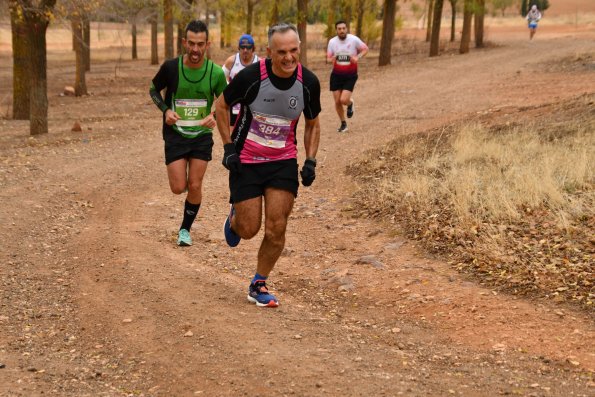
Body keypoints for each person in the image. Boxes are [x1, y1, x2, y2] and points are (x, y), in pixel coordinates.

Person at [215, 23, 321, 308]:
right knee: (249, 229)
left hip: (282, 161)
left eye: (294, 50)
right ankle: (236, 217)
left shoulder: (308, 83)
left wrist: (310, 160)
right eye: (282, 52)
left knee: (277, 227)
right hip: (246, 160)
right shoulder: (251, 78)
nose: (289, 58)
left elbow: (312, 124)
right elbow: (221, 107)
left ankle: (259, 283)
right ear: (269, 52)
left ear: (300, 48)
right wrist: (227, 147)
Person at [150, 20, 227, 246]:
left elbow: (227, 101)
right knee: (178, 188)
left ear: (207, 44)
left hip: (201, 136)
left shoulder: (215, 73)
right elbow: (154, 89)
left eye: (200, 44)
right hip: (175, 133)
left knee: (194, 185)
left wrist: (213, 114)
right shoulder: (171, 67)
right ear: (184, 42)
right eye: (191, 43)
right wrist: (165, 110)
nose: (195, 49)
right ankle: (187, 203)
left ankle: (185, 229)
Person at [326, 20, 368, 133]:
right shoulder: (332, 42)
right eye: (339, 29)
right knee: (337, 102)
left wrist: (357, 57)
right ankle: (343, 123)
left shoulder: (354, 39)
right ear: (336, 30)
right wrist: (332, 58)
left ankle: (350, 103)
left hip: (350, 75)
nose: (342, 31)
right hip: (336, 75)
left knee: (343, 100)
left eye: (344, 28)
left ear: (347, 29)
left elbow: (365, 49)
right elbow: (328, 58)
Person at [221, 34, 260, 126]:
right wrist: (229, 87)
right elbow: (221, 78)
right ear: (239, 48)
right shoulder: (231, 61)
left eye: (248, 48)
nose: (245, 50)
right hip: (234, 105)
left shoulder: (259, 63)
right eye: (242, 48)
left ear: (253, 48)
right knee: (232, 132)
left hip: (252, 105)